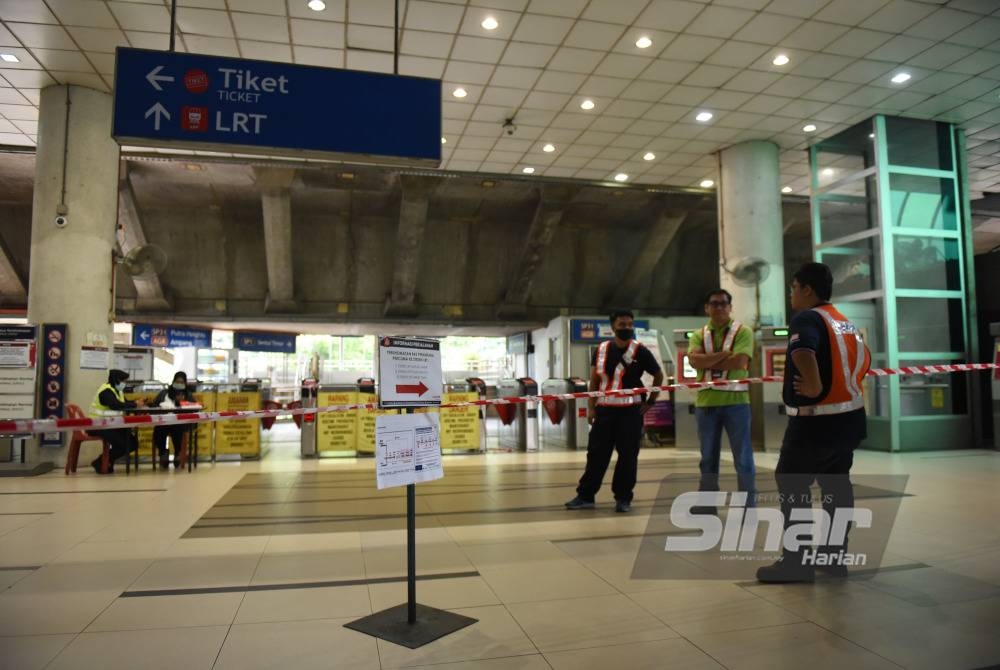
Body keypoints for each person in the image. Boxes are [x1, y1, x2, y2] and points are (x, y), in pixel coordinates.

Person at [757, 262, 871, 583]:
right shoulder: (843, 322)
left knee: (792, 482)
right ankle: (834, 558)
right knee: (837, 486)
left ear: (807, 289)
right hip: (849, 419)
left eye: (793, 288)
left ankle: (797, 562)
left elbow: (802, 350)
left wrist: (814, 384)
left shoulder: (807, 318)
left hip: (815, 422)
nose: (791, 294)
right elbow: (864, 360)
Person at [566, 310, 664, 513]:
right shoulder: (601, 349)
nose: (626, 328)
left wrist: (651, 401)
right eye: (622, 324)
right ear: (613, 327)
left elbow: (658, 375)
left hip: (631, 413)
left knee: (628, 457)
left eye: (629, 324)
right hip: (604, 412)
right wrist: (591, 407)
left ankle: (623, 498)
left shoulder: (640, 351)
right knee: (596, 455)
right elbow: (594, 380)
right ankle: (585, 496)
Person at [687, 289, 756, 513]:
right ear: (707, 308)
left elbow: (739, 362)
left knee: (743, 458)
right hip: (706, 404)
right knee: (707, 458)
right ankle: (707, 505)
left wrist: (707, 360)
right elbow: (694, 362)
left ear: (730, 307)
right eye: (714, 303)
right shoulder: (698, 334)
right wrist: (724, 355)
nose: (719, 307)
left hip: (737, 404)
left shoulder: (743, 332)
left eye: (723, 303)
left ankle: (748, 506)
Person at [89, 369, 145, 474]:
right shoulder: (106, 391)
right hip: (98, 425)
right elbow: (115, 405)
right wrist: (135, 404)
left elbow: (125, 403)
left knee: (132, 443)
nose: (125, 383)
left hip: (111, 425)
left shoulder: (118, 391)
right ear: (117, 380)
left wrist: (136, 403)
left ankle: (104, 461)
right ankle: (101, 462)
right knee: (123, 444)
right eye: (124, 381)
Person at [152, 371, 196, 469]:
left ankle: (177, 453)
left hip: (180, 423)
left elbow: (193, 408)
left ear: (185, 383)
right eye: (177, 382)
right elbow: (155, 405)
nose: (179, 384)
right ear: (173, 381)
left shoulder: (188, 394)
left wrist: (181, 403)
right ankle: (163, 453)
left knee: (177, 428)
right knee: (158, 430)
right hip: (164, 421)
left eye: (182, 382)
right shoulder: (164, 393)